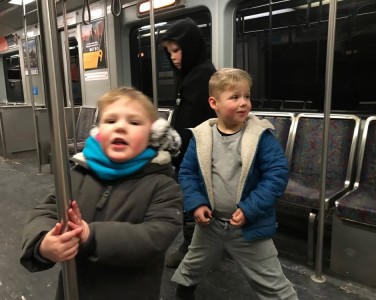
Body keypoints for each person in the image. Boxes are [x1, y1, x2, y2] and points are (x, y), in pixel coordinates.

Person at [20, 86, 183, 300]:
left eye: (134, 122)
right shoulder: (79, 173)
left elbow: (154, 237)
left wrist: (91, 236)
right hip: (74, 290)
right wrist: (42, 243)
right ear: (98, 132)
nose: (120, 128)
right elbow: (48, 209)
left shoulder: (163, 185)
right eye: (110, 121)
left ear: (151, 135)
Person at [171, 68, 298, 300]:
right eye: (235, 97)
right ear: (214, 103)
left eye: (247, 96)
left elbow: (276, 175)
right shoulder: (201, 137)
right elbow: (187, 173)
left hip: (248, 225)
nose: (244, 103)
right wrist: (196, 204)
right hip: (210, 223)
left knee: (270, 279)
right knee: (193, 263)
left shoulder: (261, 136)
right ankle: (184, 291)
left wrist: (249, 209)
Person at [161, 17, 217, 267]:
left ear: (190, 46)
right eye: (169, 51)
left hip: (199, 152)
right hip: (190, 150)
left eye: (177, 50)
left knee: (192, 198)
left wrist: (177, 150)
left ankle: (192, 247)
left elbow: (197, 121)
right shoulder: (190, 75)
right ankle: (195, 244)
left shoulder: (203, 75)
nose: (172, 57)